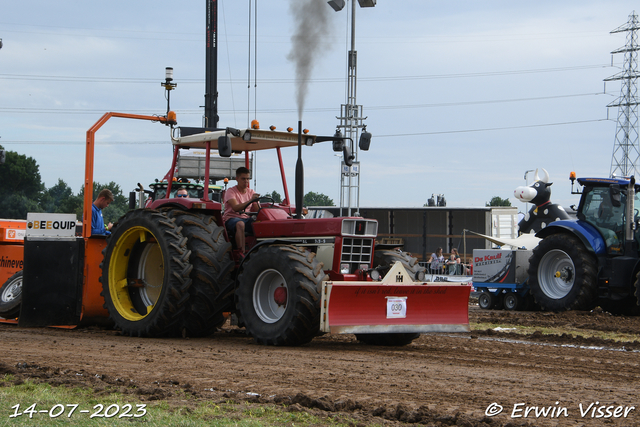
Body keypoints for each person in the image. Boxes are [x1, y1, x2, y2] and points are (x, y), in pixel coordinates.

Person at [223, 167, 260, 253]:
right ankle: (241, 252)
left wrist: (258, 205)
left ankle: (260, 250)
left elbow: (258, 210)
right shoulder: (231, 191)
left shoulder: (251, 192)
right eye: (243, 179)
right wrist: (251, 200)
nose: (246, 181)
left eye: (247, 179)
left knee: (262, 222)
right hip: (231, 219)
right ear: (237, 179)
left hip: (246, 219)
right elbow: (235, 208)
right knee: (240, 224)